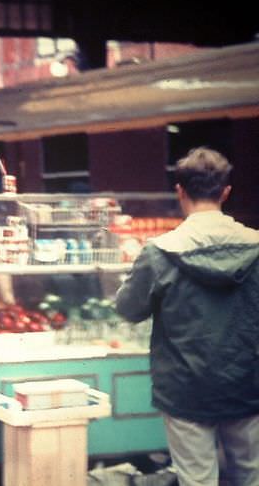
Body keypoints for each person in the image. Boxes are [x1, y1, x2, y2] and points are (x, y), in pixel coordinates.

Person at [114, 147, 259, 486]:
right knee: (252, 477)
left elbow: (128, 309)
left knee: (197, 480)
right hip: (248, 384)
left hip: (185, 390)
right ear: (225, 192)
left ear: (180, 192)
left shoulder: (158, 252)